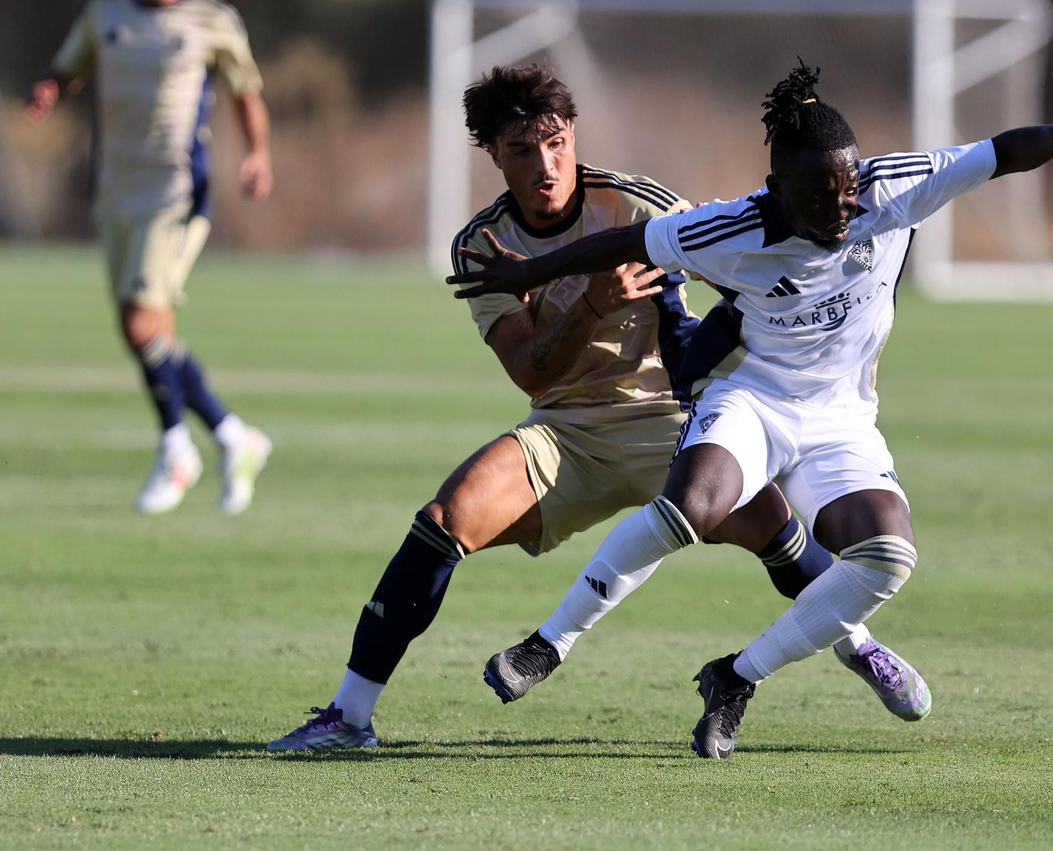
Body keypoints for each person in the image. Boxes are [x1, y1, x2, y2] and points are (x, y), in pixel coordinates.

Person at [451, 58, 1053, 758]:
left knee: (888, 558)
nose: (840, 209)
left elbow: (1003, 154)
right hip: (752, 400)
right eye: (818, 197)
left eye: (847, 188)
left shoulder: (896, 188)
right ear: (775, 191)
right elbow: (622, 241)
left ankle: (735, 677)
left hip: (841, 419)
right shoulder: (732, 229)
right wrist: (525, 272)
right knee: (688, 510)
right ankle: (551, 643)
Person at [266, 65, 929, 752]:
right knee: (442, 522)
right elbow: (530, 373)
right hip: (568, 435)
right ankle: (348, 717)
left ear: (572, 134)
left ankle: (859, 644)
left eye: (555, 143)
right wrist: (590, 305)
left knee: (781, 534)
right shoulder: (484, 246)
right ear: (492, 155)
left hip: (674, 423)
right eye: (521, 151)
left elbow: (750, 273)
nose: (545, 165)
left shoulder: (639, 205)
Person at [27, 0, 274, 515]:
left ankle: (176, 448)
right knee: (144, 327)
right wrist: (50, 87)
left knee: (142, 323)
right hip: (115, 188)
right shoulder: (104, 11)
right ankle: (234, 437)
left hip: (176, 190)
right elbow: (68, 67)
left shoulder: (213, 19)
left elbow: (245, 91)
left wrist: (258, 154)